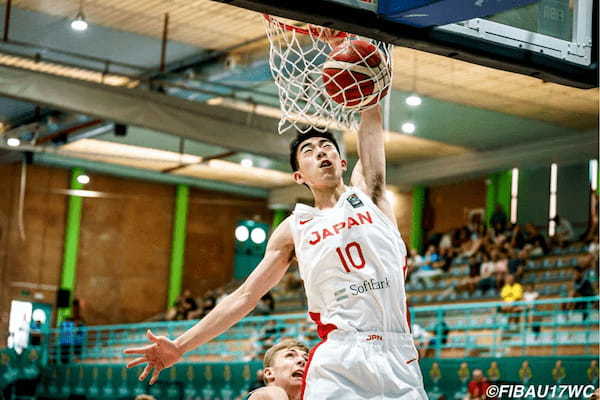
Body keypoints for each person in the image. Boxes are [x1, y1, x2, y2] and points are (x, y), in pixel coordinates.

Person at [124, 104, 427, 398]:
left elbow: (372, 125)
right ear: (299, 177)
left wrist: (371, 92)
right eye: (308, 151)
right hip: (340, 355)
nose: (320, 151)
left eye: (326, 146)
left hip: (398, 354)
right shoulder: (295, 228)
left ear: (342, 162)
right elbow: (245, 296)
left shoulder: (368, 194)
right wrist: (180, 346)